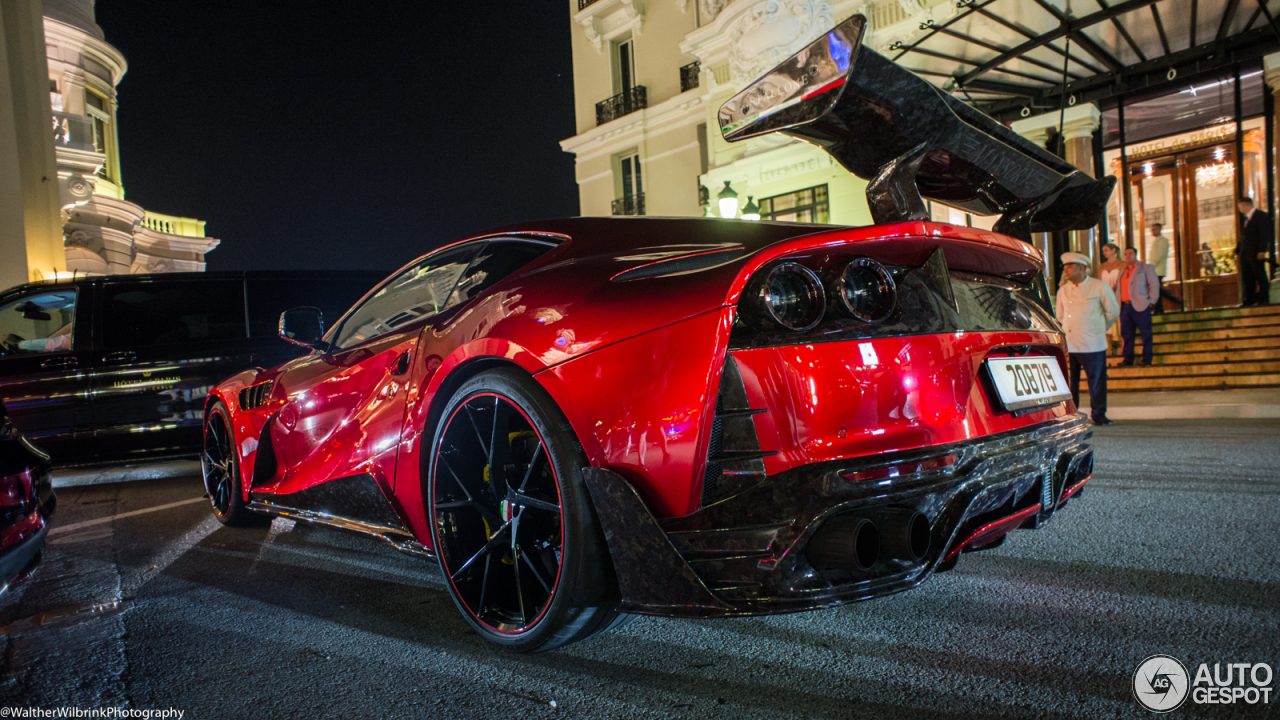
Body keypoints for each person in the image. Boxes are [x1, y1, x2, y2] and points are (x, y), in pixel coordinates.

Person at [1056, 252, 1119, 426]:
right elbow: (1060, 316)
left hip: (1093, 343)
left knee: (1097, 381)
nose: (1066, 270)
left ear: (1082, 268)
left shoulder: (1099, 286)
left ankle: (1099, 414)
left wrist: (1098, 329)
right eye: (1065, 267)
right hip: (1071, 342)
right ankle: (1072, 414)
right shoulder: (1063, 290)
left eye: (1070, 267)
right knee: (1070, 383)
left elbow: (1112, 312)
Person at [1118, 246, 1160, 366]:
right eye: (1126, 254)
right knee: (1126, 334)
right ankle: (1128, 359)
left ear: (1135, 254)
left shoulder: (1145, 268)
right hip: (1125, 306)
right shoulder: (1123, 271)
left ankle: (1146, 358)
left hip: (1141, 305)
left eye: (1130, 253)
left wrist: (1152, 301)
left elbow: (1154, 284)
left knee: (1145, 333)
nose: (1128, 256)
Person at [1236, 197, 1274, 306]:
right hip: (1245, 253)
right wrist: (1238, 249)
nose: (1239, 209)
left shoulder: (1260, 216)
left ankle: (1263, 299)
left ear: (1245, 205)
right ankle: (1249, 299)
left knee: (1259, 275)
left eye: (1240, 206)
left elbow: (1264, 234)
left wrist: (1262, 250)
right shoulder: (1245, 219)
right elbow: (1243, 236)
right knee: (1248, 277)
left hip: (1255, 252)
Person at [1147, 223, 1184, 312]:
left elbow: (1159, 256)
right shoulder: (1157, 241)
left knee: (1157, 289)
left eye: (1154, 229)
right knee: (1157, 290)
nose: (1153, 231)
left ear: (1159, 229)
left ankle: (1172, 300)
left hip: (1158, 270)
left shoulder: (1163, 241)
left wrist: (1150, 267)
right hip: (1155, 270)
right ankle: (1160, 308)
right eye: (1152, 229)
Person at [1098, 242, 1126, 353]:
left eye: (1106, 250)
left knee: (1120, 321)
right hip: (1105, 295)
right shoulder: (1102, 266)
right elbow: (1099, 282)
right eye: (1103, 250)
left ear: (1113, 250)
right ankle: (1108, 348)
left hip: (1117, 295)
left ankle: (1122, 347)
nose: (1104, 252)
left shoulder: (1121, 264)